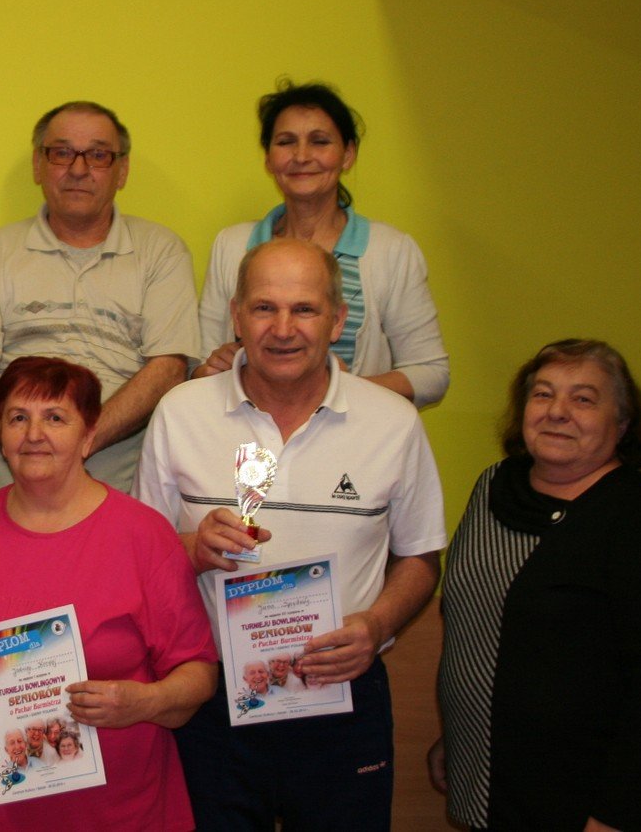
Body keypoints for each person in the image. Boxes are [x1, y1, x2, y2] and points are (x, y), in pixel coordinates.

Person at [136, 238, 447, 831]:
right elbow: (140, 559)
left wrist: (376, 626)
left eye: (304, 309)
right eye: (264, 308)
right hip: (213, 699)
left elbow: (420, 558)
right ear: (236, 316)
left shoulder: (393, 422)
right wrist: (192, 549)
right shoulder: (180, 412)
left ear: (337, 320)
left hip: (344, 693)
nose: (283, 329)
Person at [0, 356, 216, 831]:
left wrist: (144, 701)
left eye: (55, 418)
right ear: (1, 435)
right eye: (18, 417)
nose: (34, 434)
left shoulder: (143, 535)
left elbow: (198, 672)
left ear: (89, 436)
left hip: (119, 812)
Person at [430, 339, 641, 832]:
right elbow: (478, 628)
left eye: (583, 399)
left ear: (622, 423)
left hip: (590, 799)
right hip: (491, 778)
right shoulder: (493, 487)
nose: (557, 411)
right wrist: (460, 733)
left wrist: (616, 815)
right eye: (543, 394)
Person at [0, 101, 200, 498]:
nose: (78, 169)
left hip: (118, 492)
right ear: (38, 165)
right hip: (6, 490)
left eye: (98, 155)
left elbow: (168, 370)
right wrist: (29, 448)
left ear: (122, 170)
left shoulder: (161, 252)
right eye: (61, 153)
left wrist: (79, 443)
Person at [195, 79, 448, 408]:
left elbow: (431, 374)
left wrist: (340, 390)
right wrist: (210, 369)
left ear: (348, 154)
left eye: (319, 141)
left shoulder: (391, 251)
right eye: (286, 142)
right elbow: (200, 366)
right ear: (269, 158)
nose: (301, 156)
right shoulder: (232, 246)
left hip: (355, 434)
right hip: (248, 434)